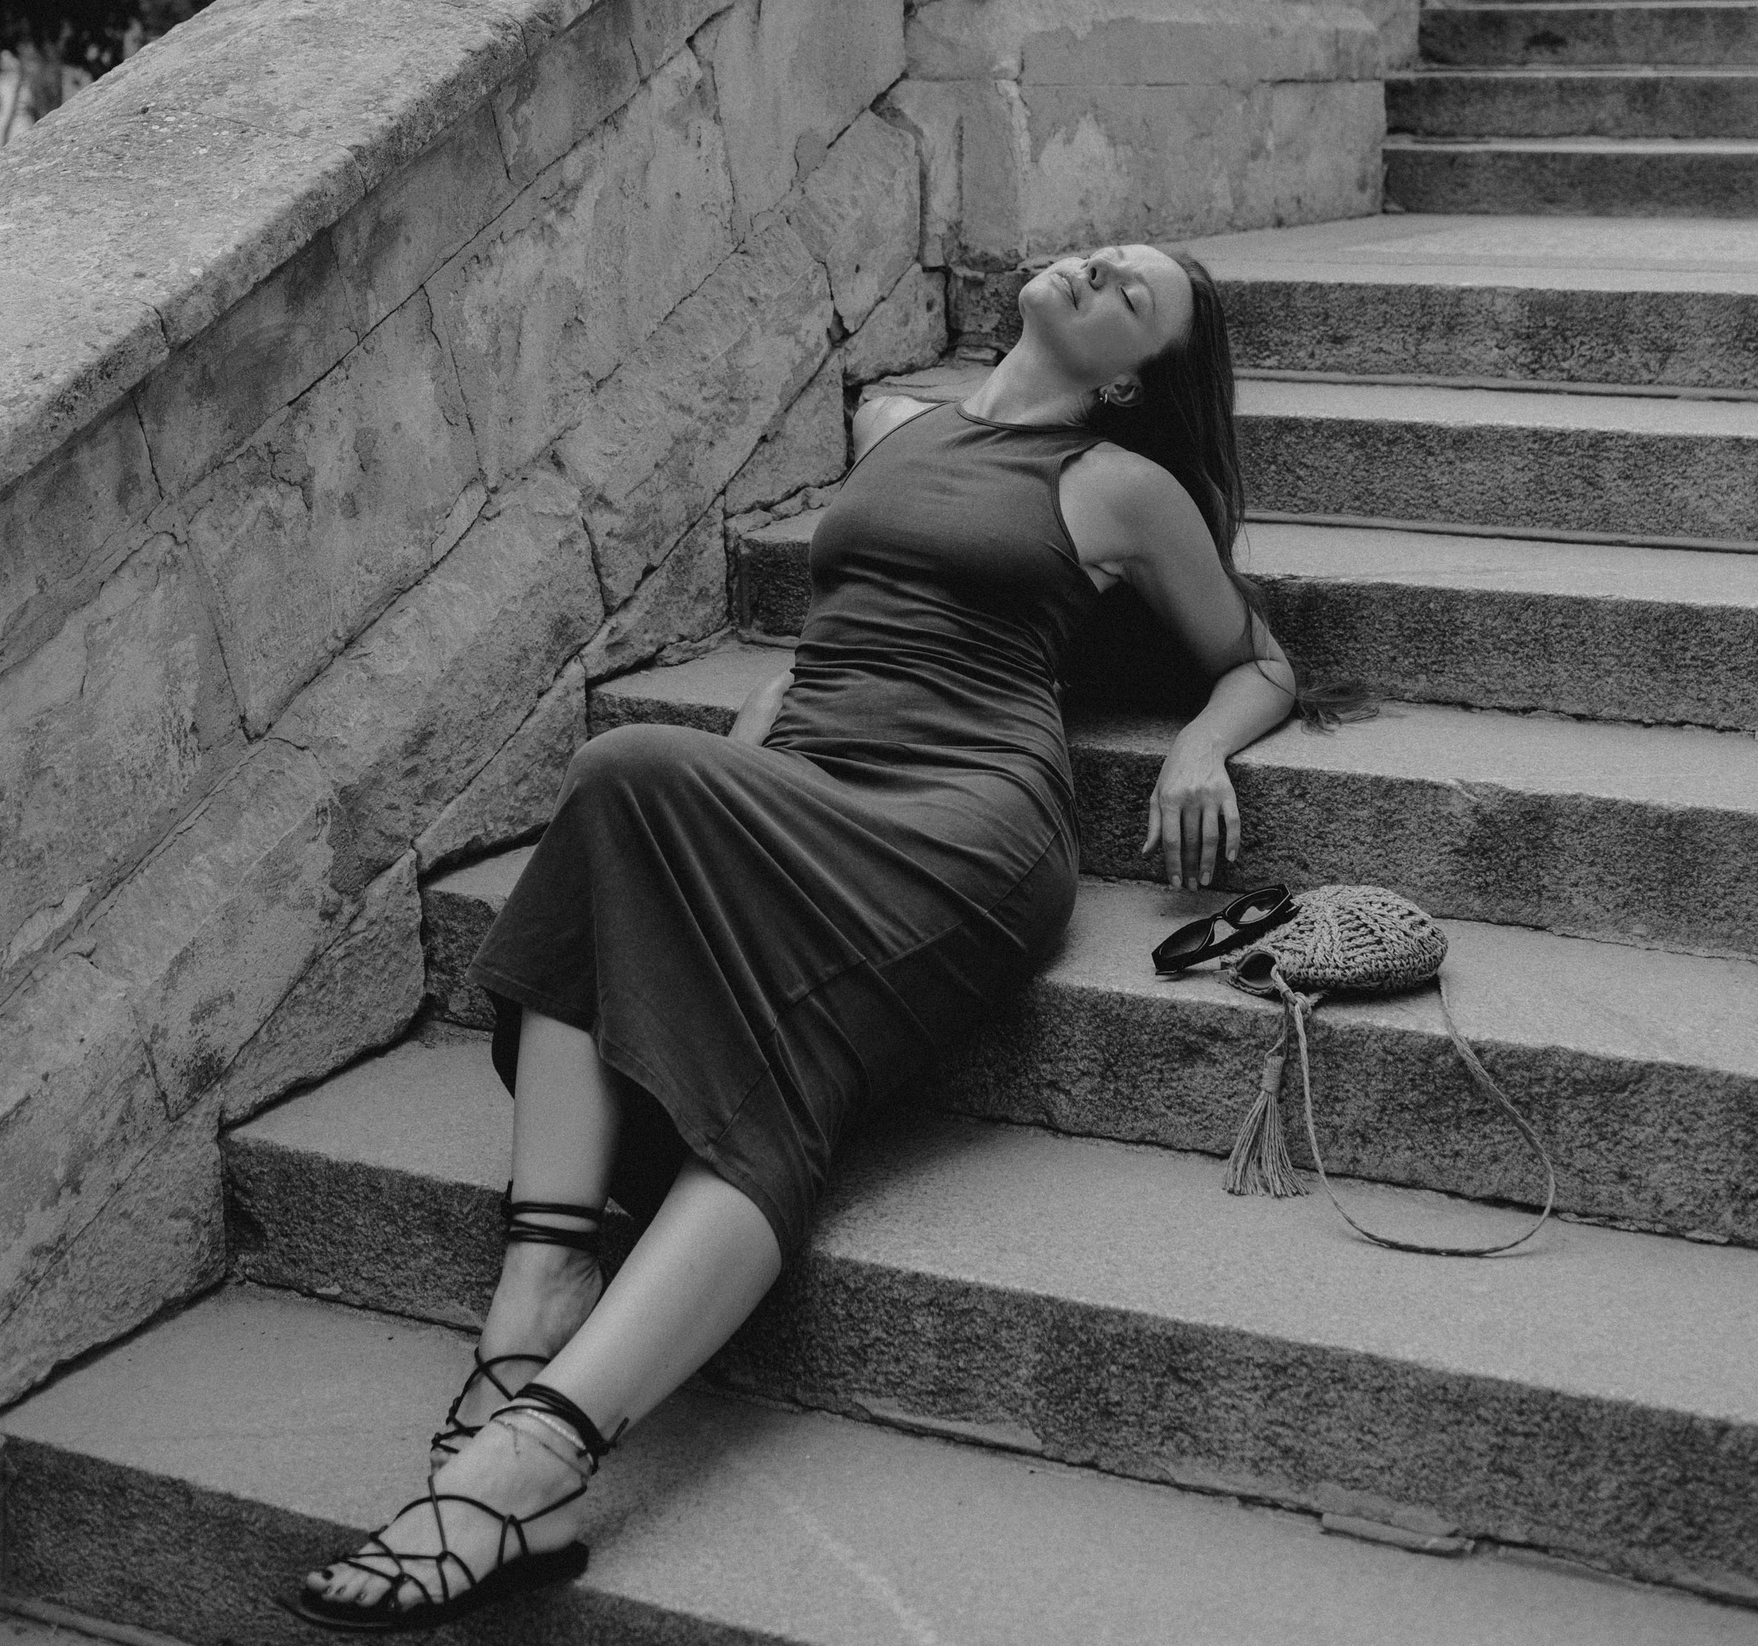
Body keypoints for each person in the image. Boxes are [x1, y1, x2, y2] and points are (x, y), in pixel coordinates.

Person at [297, 241, 1297, 1628]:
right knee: (623, 799)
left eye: (1133, 296)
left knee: (630, 780)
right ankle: (541, 1306)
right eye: (1103, 254)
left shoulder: (1119, 483)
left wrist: (1197, 751)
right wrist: (760, 735)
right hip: (808, 778)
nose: (1095, 272)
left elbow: (1258, 658)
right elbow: (844, 623)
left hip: (960, 821)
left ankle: (532, 1430)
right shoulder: (896, 426)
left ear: (1131, 379)